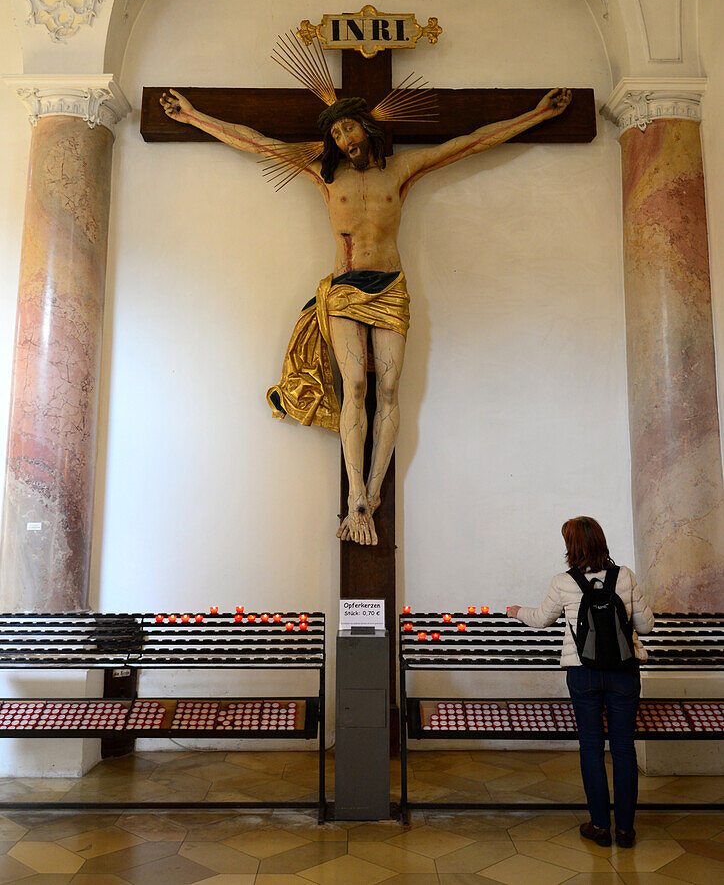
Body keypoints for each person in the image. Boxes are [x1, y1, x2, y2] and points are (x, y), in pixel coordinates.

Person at [160, 85, 571, 546]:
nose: (342, 138)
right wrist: (195, 117)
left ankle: (373, 493)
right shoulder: (325, 175)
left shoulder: (400, 170)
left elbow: (469, 143)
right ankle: (355, 493)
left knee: (390, 388)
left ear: (366, 128)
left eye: (348, 127)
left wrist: (535, 115)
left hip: (391, 287)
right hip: (345, 289)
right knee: (354, 386)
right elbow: (258, 143)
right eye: (335, 132)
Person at [507, 515, 654, 848]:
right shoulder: (625, 576)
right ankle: (626, 831)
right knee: (623, 749)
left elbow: (542, 619)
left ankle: (600, 826)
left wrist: (516, 611)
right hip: (624, 672)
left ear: (570, 547)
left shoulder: (563, 582)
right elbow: (645, 627)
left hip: (583, 672)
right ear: (601, 541)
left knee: (591, 747)